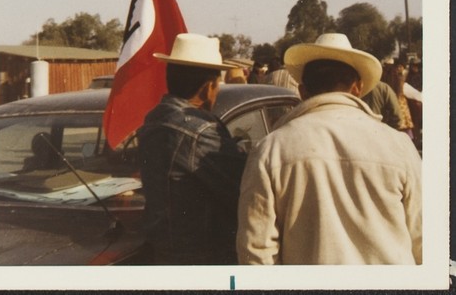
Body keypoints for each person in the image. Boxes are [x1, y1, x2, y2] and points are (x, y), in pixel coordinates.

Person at [237, 33, 422, 265]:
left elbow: (256, 251)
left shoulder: (270, 149)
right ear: (357, 88)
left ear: (302, 92)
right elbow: (422, 239)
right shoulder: (399, 145)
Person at [137, 33, 247, 265]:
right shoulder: (201, 131)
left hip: (164, 249)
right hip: (201, 255)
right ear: (209, 87)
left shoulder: (153, 119)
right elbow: (240, 188)